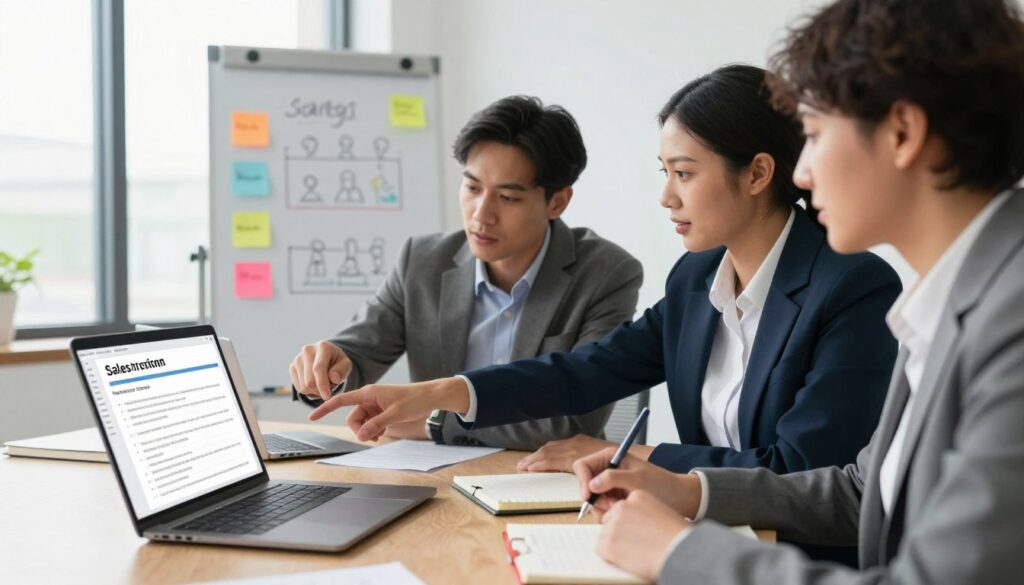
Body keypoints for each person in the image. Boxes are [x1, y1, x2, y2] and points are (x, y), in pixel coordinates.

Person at [569, 0, 1024, 583]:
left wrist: (678, 554)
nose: (801, 173)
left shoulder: (1009, 319)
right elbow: (863, 491)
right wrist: (690, 490)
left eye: (812, 135)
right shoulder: (954, 297)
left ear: (904, 133)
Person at [308, 66, 901, 485]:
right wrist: (440, 393)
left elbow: (799, 469)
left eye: (685, 174)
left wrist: (629, 456)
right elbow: (587, 371)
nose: (666, 197)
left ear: (757, 173)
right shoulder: (697, 279)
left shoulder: (852, 287)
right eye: (663, 171)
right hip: (701, 530)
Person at [288, 95, 643, 450]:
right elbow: (360, 351)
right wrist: (329, 368)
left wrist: (434, 422)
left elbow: (572, 420)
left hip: (547, 482)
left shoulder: (606, 274)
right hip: (435, 477)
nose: (481, 215)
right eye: (472, 188)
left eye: (507, 198)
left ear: (557, 202)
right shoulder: (423, 260)